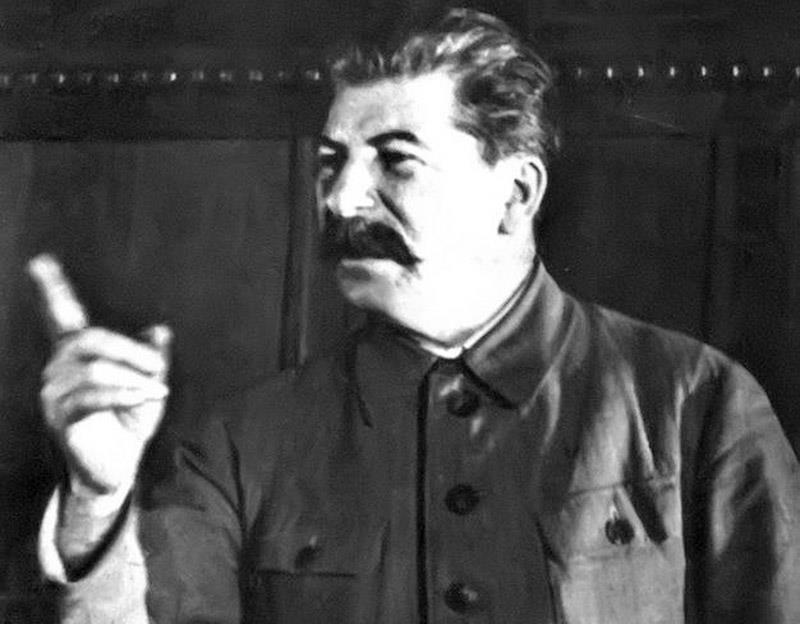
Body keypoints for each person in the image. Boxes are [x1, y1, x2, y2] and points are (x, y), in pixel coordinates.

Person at [36, 8, 800, 623]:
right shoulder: (241, 445)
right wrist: (96, 501)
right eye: (331, 163)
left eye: (396, 159)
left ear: (515, 194)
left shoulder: (698, 405)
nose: (342, 199)